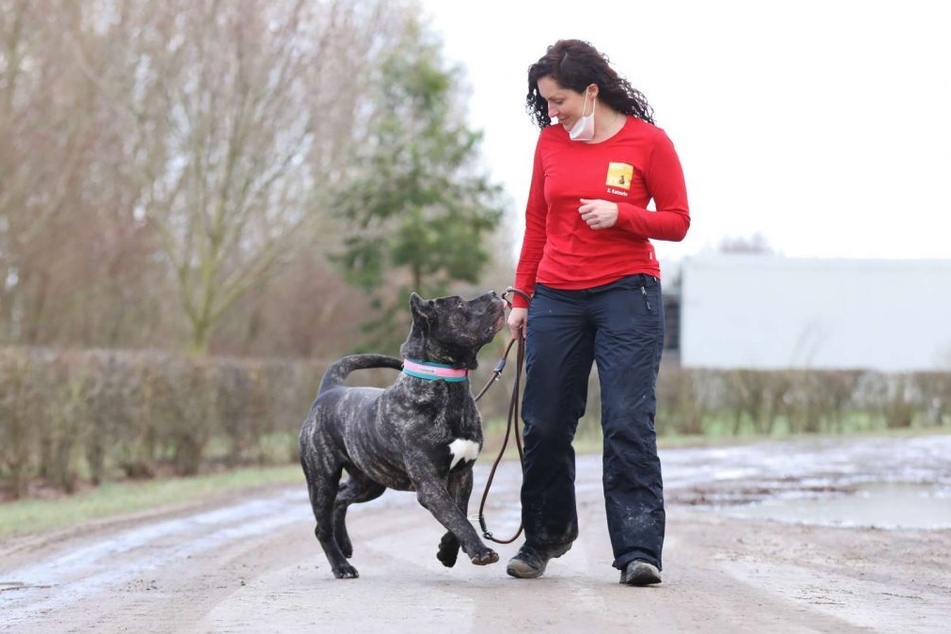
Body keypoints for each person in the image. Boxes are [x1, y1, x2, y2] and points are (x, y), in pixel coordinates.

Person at [505, 39, 690, 586]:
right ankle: (544, 537)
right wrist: (521, 298)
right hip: (556, 297)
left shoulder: (648, 143)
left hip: (627, 295)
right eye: (545, 103)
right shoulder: (549, 144)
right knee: (542, 422)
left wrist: (624, 214)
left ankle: (638, 552)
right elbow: (536, 223)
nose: (552, 112)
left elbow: (678, 221)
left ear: (591, 91)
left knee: (628, 424)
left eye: (558, 101)